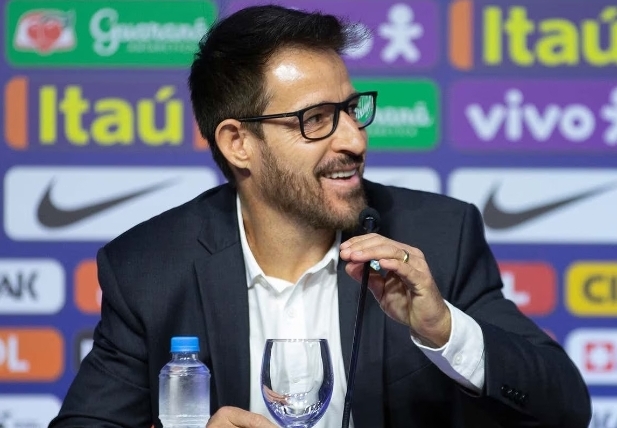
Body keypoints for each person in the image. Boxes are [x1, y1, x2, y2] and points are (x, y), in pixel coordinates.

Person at [49, 5, 591, 428]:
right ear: (238, 143)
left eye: (351, 110)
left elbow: (565, 407)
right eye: (316, 119)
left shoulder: (436, 236)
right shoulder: (149, 269)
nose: (355, 140)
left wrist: (444, 329)